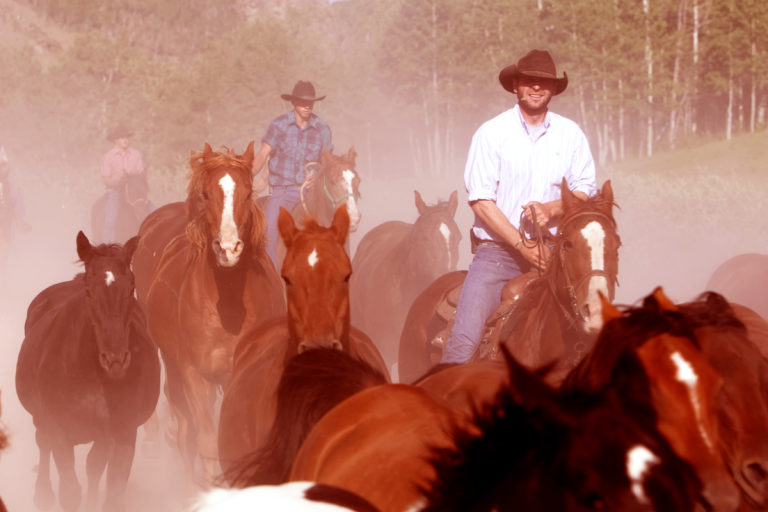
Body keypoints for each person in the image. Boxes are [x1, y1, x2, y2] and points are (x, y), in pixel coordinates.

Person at [441, 49, 598, 364]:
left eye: (544, 82)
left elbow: (586, 189)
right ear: (516, 86)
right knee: (464, 341)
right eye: (529, 81)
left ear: (553, 89)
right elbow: (481, 201)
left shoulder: (571, 135)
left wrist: (553, 208)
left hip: (557, 253)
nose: (537, 87)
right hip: (498, 255)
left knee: (595, 333)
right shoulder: (492, 133)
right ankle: (442, 403)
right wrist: (522, 246)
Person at [251, 80, 333, 270]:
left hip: (312, 191)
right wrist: (247, 177)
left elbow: (328, 161)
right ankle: (272, 276)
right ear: (293, 102)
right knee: (269, 230)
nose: (307, 105)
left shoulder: (322, 128)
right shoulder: (279, 125)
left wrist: (319, 174)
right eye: (302, 101)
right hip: (283, 190)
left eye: (311, 101)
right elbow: (263, 154)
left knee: (334, 229)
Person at [100, 125, 147, 243]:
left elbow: (141, 174)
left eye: (126, 137)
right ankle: (107, 246)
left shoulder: (136, 155)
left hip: (135, 191)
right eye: (121, 137)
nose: (125, 140)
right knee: (110, 219)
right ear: (116, 140)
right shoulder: (108, 157)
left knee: (153, 212)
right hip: (115, 191)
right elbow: (106, 179)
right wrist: (118, 182)